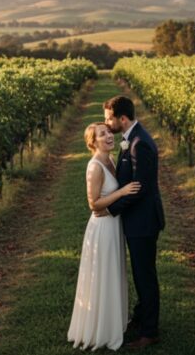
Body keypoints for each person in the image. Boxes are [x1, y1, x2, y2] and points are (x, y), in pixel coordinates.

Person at [67, 122, 141, 351]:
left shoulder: (110, 160)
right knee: (102, 274)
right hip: (102, 228)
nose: (109, 135)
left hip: (113, 225)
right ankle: (100, 329)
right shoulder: (95, 167)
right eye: (102, 134)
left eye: (109, 132)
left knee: (113, 273)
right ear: (93, 142)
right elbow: (93, 204)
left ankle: (113, 323)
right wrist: (121, 191)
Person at [102, 95, 165, 349]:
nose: (107, 124)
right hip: (137, 221)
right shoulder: (131, 139)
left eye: (109, 118)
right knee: (141, 274)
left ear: (123, 119)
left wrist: (111, 208)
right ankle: (141, 319)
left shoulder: (140, 144)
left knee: (145, 276)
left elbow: (140, 188)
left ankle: (149, 333)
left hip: (144, 222)